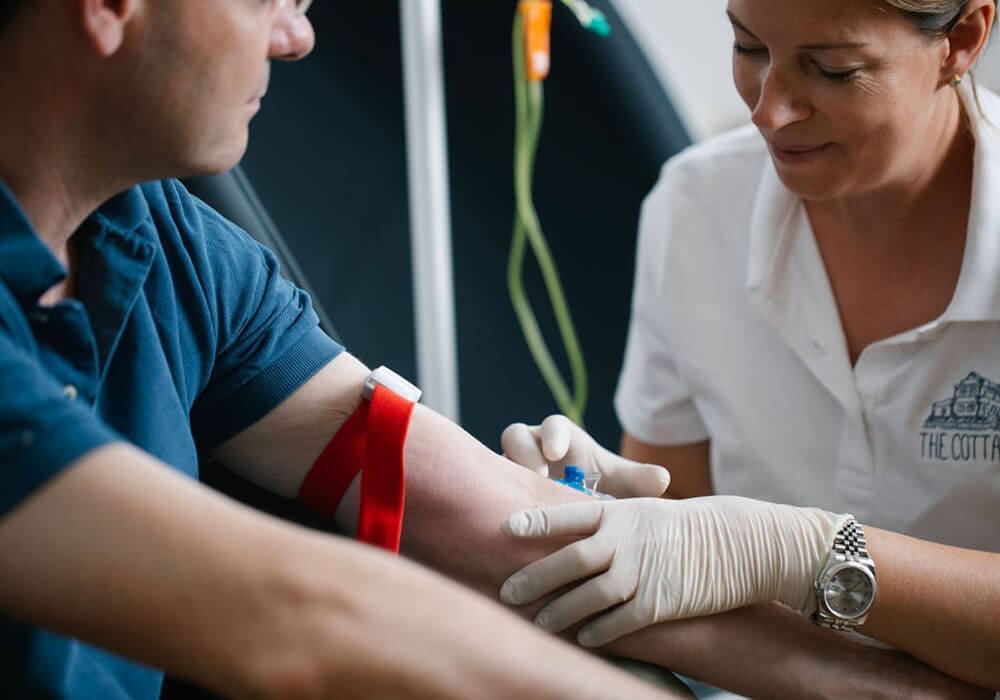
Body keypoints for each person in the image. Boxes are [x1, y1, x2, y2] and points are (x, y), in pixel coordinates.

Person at [0, 1, 989, 699]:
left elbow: (493, 523)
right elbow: (294, 618)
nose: (297, 35)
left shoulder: (172, 247)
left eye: (833, 68)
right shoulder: (700, 208)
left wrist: (868, 684)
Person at [499, 0, 1000, 692]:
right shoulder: (698, 208)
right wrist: (607, 506)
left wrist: (806, 555)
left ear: (963, 38)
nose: (771, 111)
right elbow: (680, 519)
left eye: (832, 70)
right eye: (749, 48)